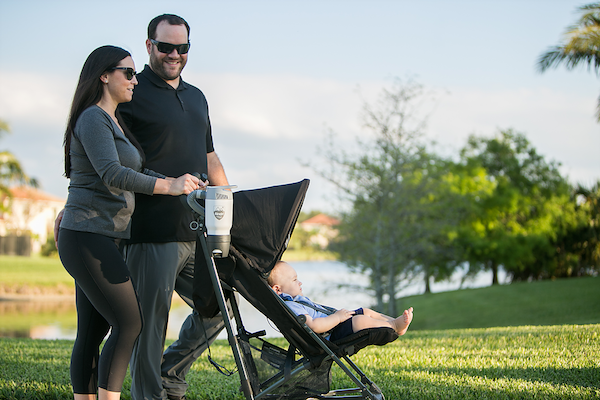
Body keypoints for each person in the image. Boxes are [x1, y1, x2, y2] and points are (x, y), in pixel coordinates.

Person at [57, 45, 201, 400]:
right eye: (128, 73)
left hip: (104, 235)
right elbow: (111, 173)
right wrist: (167, 186)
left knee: (93, 332)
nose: (135, 81)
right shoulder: (92, 118)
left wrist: (180, 184)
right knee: (129, 322)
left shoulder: (112, 121)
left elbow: (135, 170)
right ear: (104, 75)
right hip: (87, 234)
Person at [268, 261, 414, 340]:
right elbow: (314, 326)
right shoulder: (291, 306)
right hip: (329, 334)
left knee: (364, 311)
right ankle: (394, 325)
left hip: (333, 324)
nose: (300, 283)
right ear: (278, 289)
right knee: (360, 321)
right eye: (294, 280)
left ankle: (396, 322)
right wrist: (337, 317)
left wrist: (337, 317)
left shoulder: (295, 301)